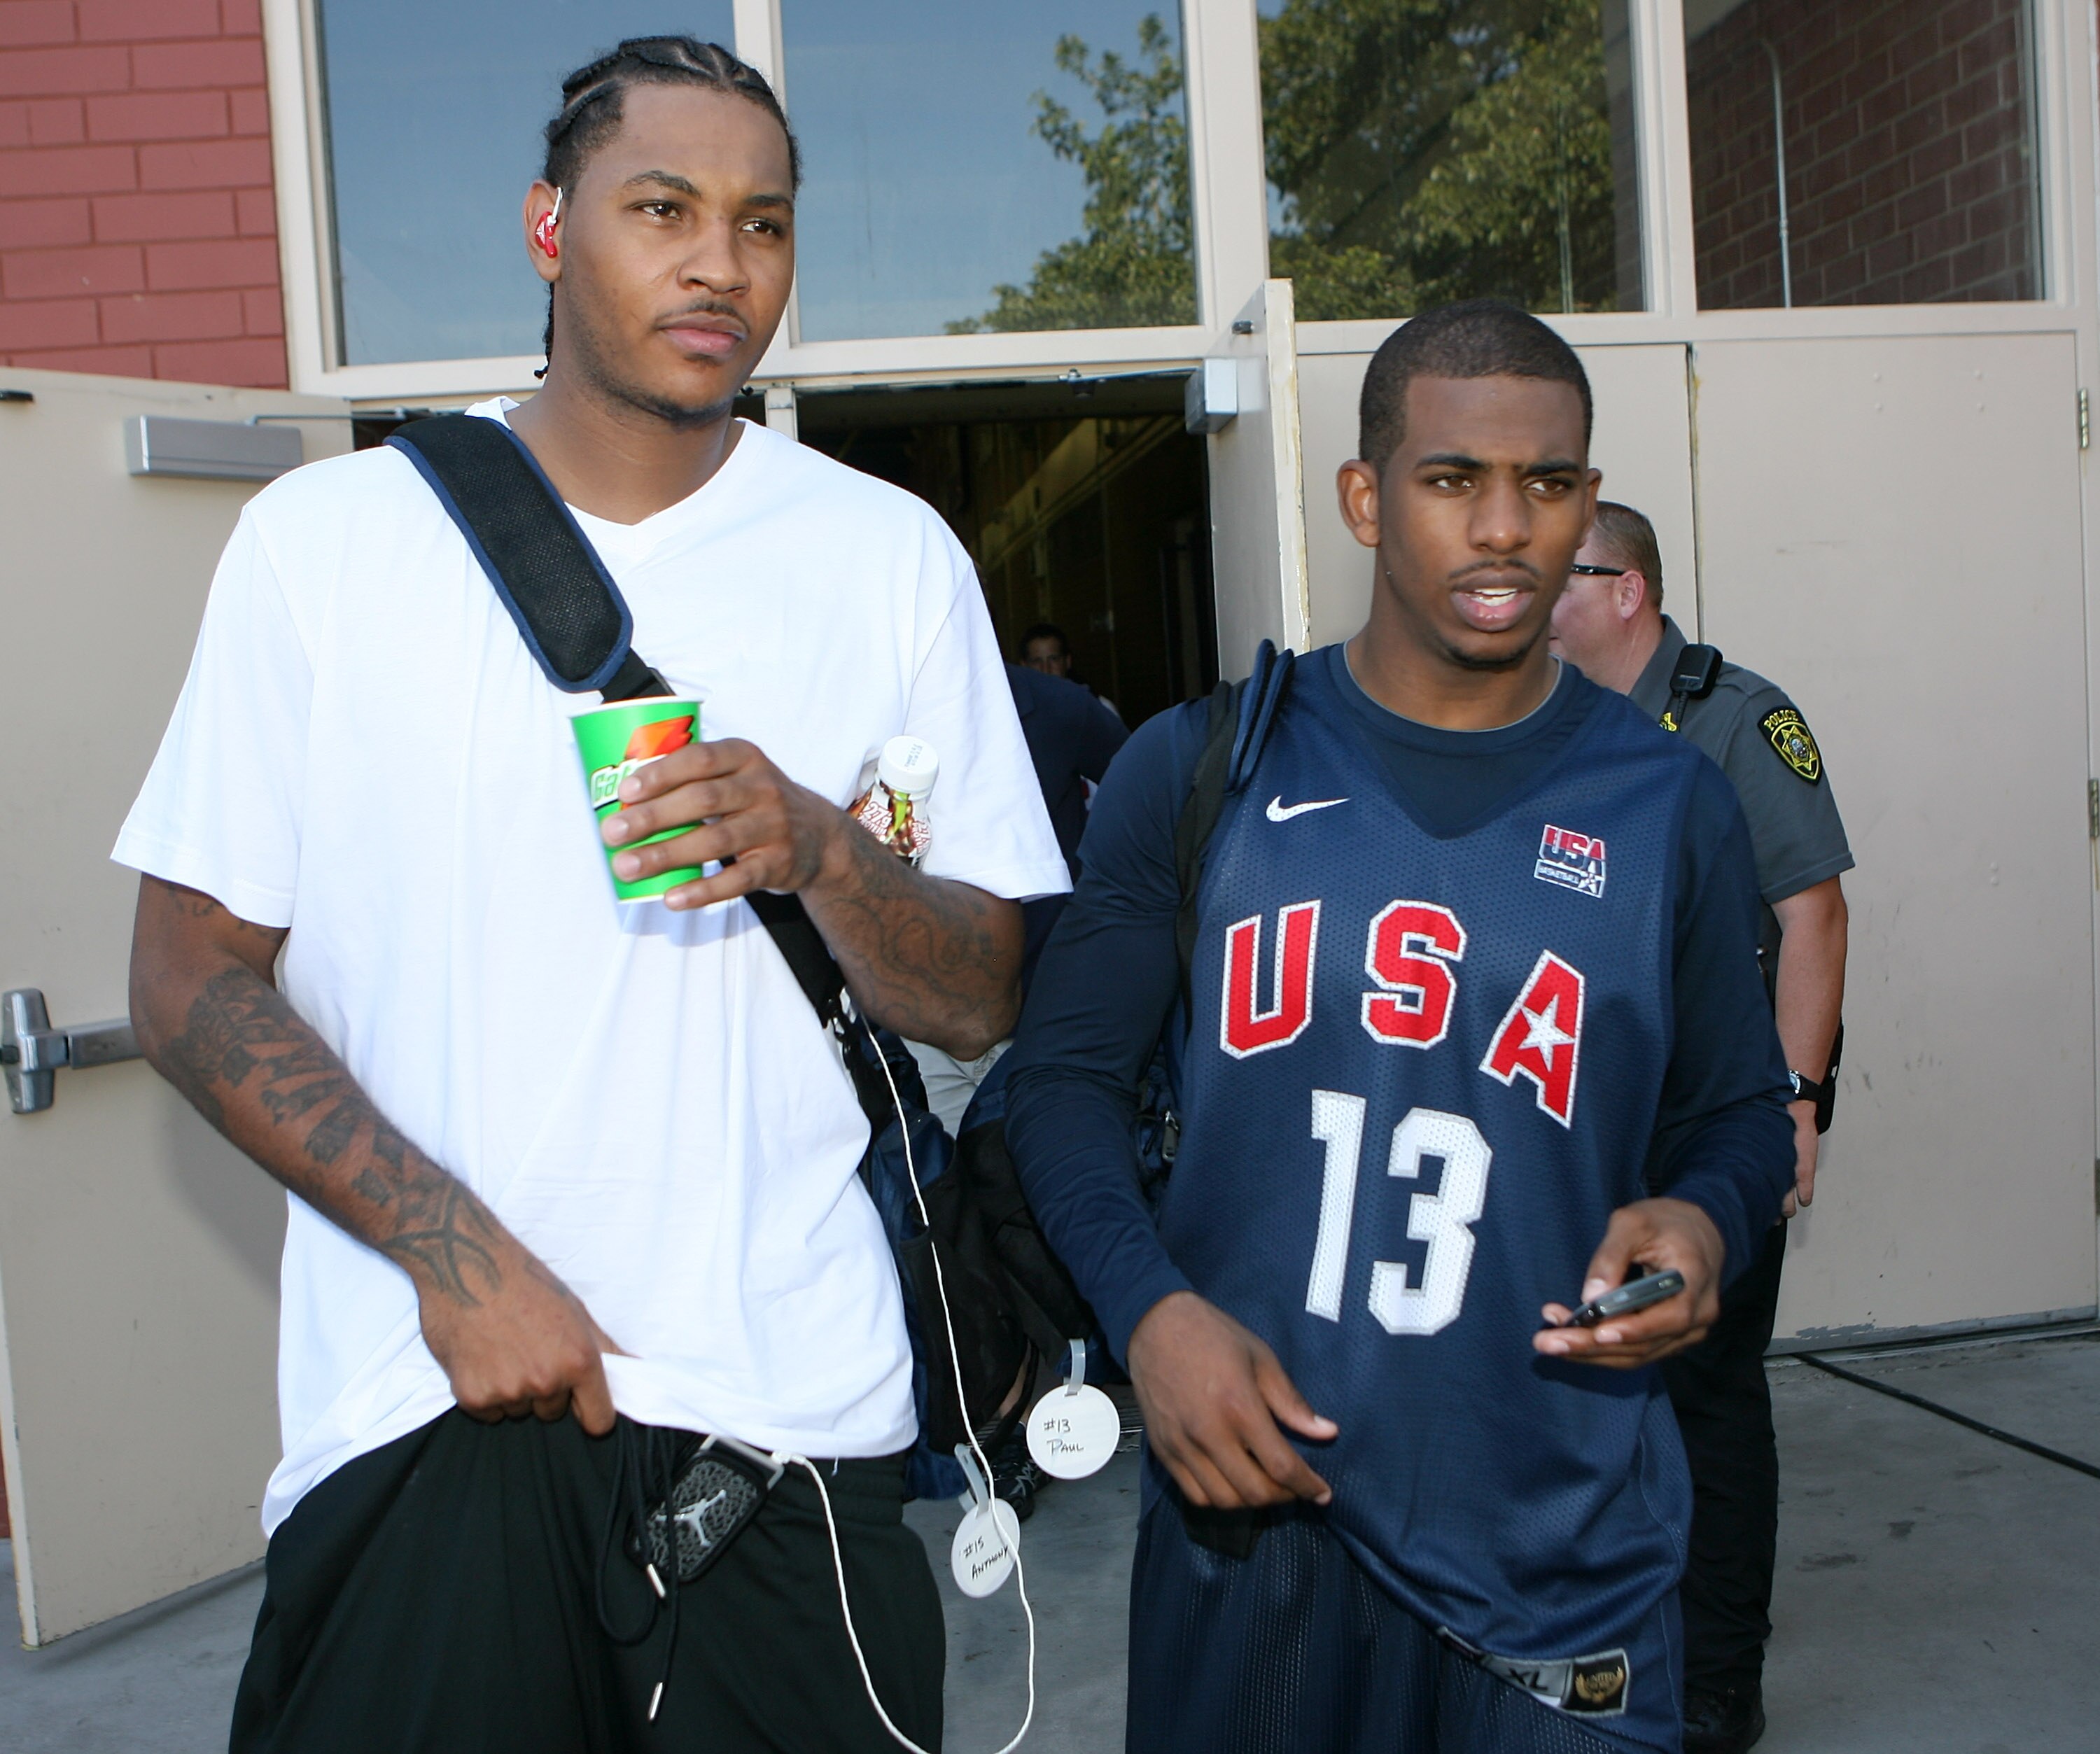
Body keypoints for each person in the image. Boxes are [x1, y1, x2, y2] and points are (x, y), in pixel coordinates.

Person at [118, 37, 1067, 1754]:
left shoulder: (889, 559)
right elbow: (189, 978)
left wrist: (824, 847)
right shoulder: (328, 547)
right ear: (551, 228)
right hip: (436, 1404)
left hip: (789, 1420)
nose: (722, 261)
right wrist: (453, 1250)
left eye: (764, 222)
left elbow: (982, 989)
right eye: (664, 208)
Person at [1004, 299, 1795, 1754]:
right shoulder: (1199, 768)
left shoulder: (1671, 805)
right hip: (1258, 1528)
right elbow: (1057, 1089)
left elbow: (1741, 1115)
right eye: (1453, 479)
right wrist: (1151, 1315)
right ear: (1366, 496)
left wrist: (1704, 1219)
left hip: (1561, 1549)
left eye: (1550, 485)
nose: (1507, 527)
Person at [1550, 502, 1851, 1754]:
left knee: (1711, 1395)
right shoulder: (1555, 723)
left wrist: (1795, 1101)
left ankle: (1720, 1675)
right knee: (1601, 1380)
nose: (1533, 593)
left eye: (1564, 572)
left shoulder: (1739, 718)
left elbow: (1817, 915)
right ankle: (1616, 1640)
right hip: (1599, 1115)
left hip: (1722, 1112)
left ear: (1628, 589)